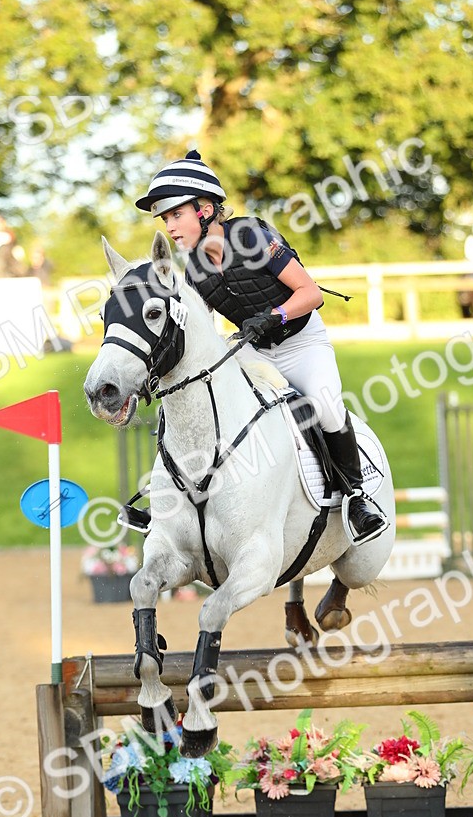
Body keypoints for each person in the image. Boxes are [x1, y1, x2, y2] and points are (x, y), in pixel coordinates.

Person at [133, 150, 388, 544]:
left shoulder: (252, 236)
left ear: (204, 210)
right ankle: (171, 500)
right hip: (252, 350)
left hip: (301, 342)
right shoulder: (194, 269)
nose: (170, 227)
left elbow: (311, 293)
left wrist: (274, 316)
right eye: (165, 219)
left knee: (324, 403)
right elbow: (197, 332)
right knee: (201, 398)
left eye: (175, 215)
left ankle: (357, 497)